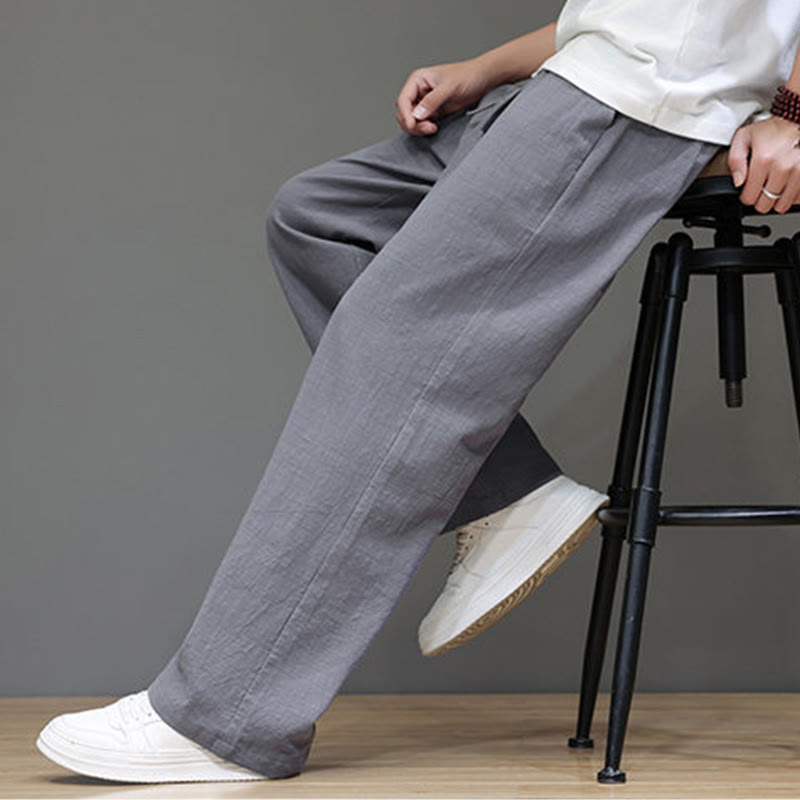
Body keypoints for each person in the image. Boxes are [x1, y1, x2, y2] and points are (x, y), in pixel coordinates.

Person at [35, 0, 800, 784]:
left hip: (637, 110)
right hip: (578, 85)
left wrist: (794, 113)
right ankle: (510, 495)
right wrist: (490, 67)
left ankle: (226, 717)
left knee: (393, 334)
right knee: (320, 220)